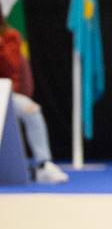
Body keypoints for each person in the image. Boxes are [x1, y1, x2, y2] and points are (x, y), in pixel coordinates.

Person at [0, 12, 68, 184]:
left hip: (6, 95)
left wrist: (1, 45)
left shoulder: (10, 36)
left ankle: (43, 164)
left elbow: (11, 66)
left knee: (32, 110)